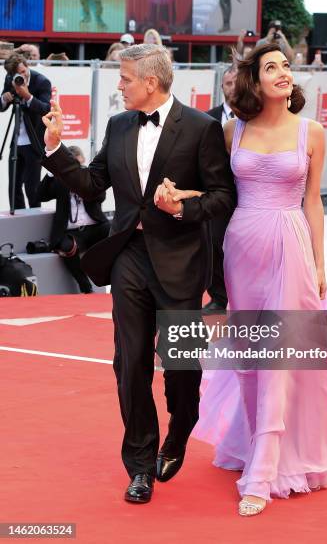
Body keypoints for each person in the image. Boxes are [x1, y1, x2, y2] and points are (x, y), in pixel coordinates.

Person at [41, 44, 236, 504]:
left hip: (182, 260)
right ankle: (141, 465)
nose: (119, 85)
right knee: (129, 363)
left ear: (151, 81)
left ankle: (181, 429)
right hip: (129, 254)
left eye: (125, 78)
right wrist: (54, 148)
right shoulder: (119, 124)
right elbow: (92, 183)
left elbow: (223, 197)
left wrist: (184, 206)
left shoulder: (201, 128)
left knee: (182, 368)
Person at [185, 43, 327, 516]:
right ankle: (257, 444)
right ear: (254, 81)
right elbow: (217, 192)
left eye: (286, 66)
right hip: (242, 247)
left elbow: (312, 201)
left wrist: (320, 263)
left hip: (291, 246)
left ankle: (263, 471)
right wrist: (180, 196)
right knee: (249, 353)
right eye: (271, 67)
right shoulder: (232, 130)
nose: (283, 73)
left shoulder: (311, 132)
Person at [38, 146, 110, 294]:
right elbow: (40, 196)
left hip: (95, 226)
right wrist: (51, 174)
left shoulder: (88, 176)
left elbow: (101, 197)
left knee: (116, 234)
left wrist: (83, 185)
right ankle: (85, 286)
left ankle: (113, 281)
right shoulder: (60, 179)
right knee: (66, 247)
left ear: (82, 160)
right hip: (72, 231)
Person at [203, 67, 237, 312]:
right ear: (222, 87)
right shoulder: (209, 118)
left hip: (249, 194)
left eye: (237, 82)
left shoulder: (257, 118)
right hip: (217, 193)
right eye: (228, 83)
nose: (232, 87)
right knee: (213, 243)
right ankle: (218, 297)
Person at [0, 53, 51, 209]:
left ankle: (35, 224)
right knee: (14, 187)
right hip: (16, 140)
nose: (22, 75)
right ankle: (19, 222)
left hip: (34, 140)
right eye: (18, 74)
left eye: (24, 71)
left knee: (32, 187)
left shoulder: (41, 81)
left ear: (27, 66)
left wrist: (27, 96)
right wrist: (4, 98)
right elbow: (1, 106)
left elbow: (45, 109)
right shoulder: (10, 80)